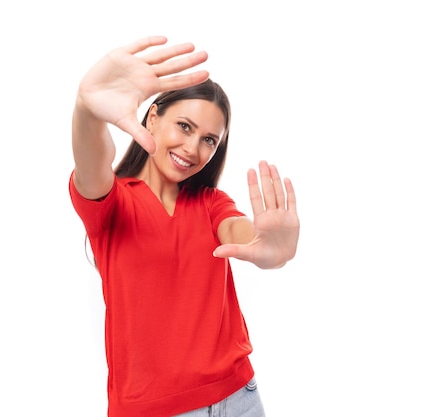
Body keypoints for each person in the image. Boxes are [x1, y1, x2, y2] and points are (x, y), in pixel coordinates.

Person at [68, 35, 300, 417]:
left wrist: (268, 246)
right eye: (185, 126)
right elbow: (93, 159)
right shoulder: (112, 203)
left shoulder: (209, 203)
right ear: (154, 116)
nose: (194, 149)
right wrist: (86, 111)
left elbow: (239, 232)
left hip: (239, 395)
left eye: (209, 139)